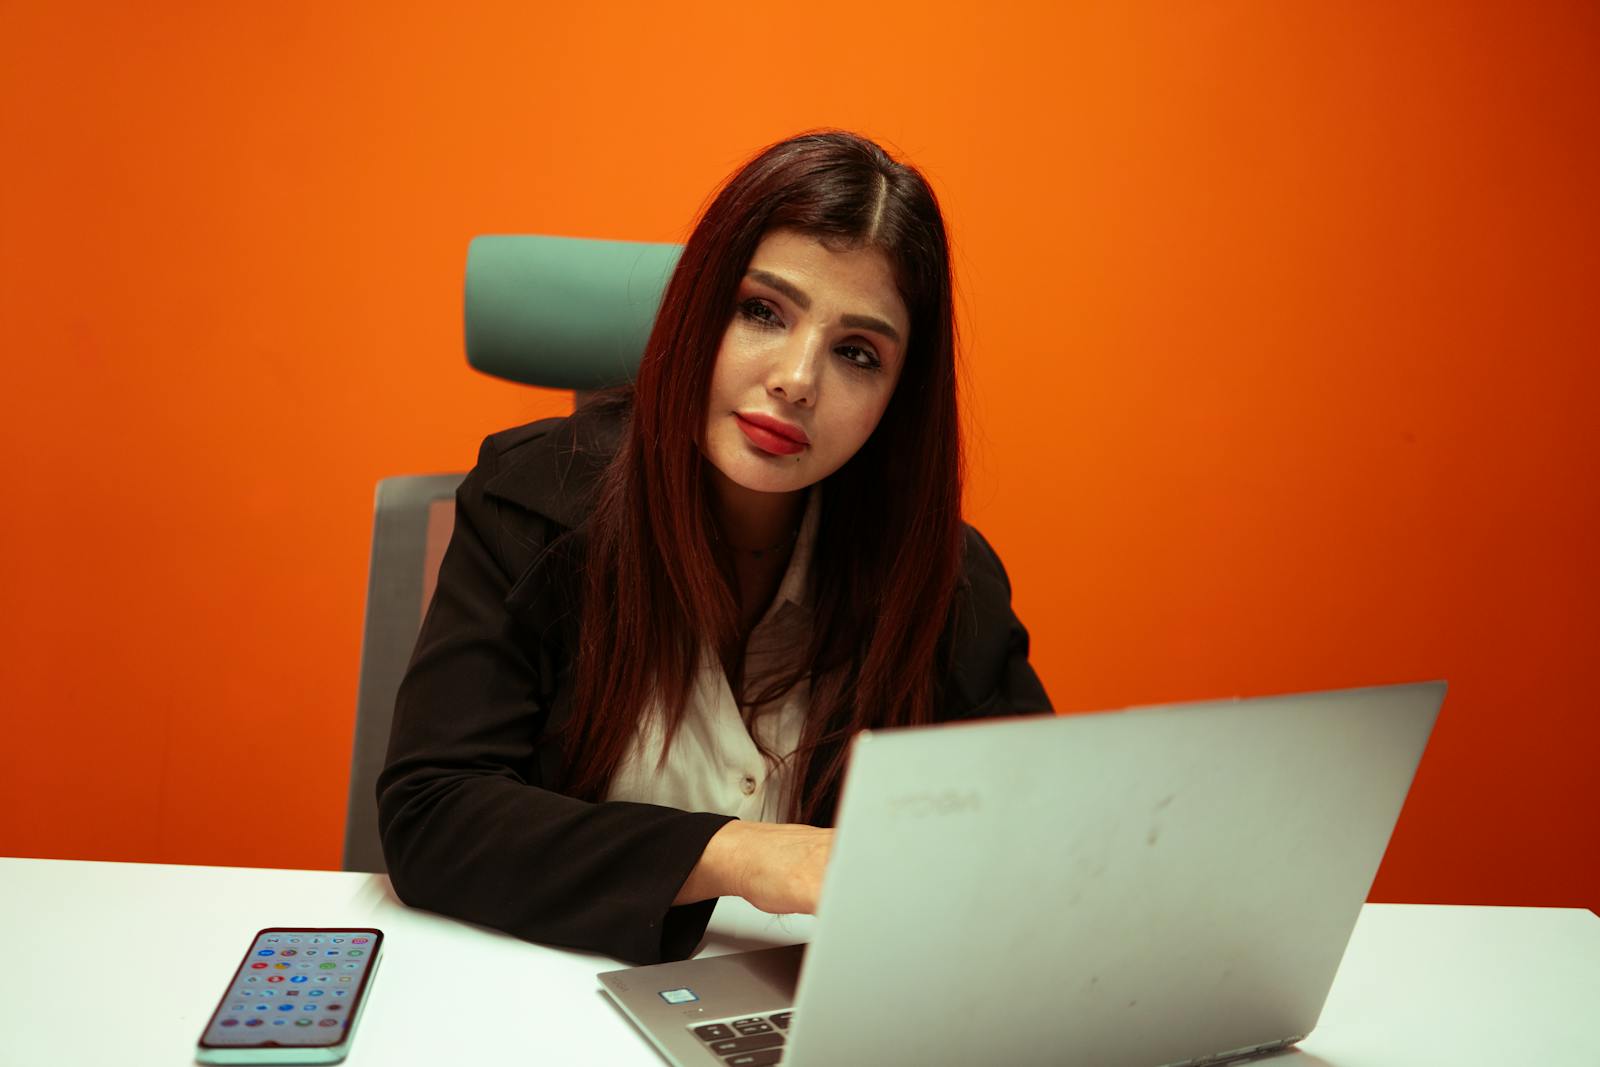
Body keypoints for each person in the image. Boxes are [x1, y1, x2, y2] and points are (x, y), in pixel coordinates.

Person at [377, 129, 1053, 966]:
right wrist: (741, 854)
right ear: (698, 310)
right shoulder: (532, 506)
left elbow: (1034, 849)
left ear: (896, 401)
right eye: (762, 311)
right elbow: (432, 813)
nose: (797, 378)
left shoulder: (947, 583)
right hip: (551, 999)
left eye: (856, 352)